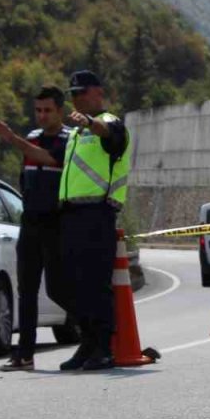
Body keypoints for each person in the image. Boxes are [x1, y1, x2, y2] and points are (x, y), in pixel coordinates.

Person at [0, 86, 73, 371]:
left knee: (60, 288)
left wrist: (12, 139)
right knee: (26, 289)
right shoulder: (33, 138)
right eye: (38, 110)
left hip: (56, 223)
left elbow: (48, 159)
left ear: (60, 111)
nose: (42, 116)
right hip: (31, 223)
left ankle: (99, 332)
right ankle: (24, 354)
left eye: (48, 110)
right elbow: (27, 175)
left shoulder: (68, 140)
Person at [54, 70, 131, 370]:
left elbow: (109, 134)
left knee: (95, 283)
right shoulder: (75, 133)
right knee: (73, 285)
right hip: (72, 215)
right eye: (73, 94)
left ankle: (103, 346)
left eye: (81, 92)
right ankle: (86, 344)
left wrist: (89, 122)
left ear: (98, 93)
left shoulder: (110, 122)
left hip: (97, 213)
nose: (76, 98)